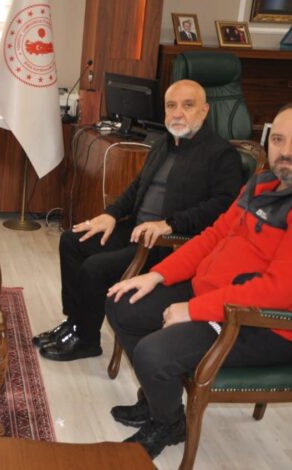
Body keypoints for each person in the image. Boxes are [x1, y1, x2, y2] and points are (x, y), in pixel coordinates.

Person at [104, 103, 292, 459]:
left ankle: (167, 423)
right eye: (279, 139)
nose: (286, 151)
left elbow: (278, 291)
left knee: (154, 354)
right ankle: (162, 406)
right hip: (215, 296)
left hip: (261, 323)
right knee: (123, 304)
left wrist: (193, 310)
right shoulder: (261, 184)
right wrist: (157, 275)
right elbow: (213, 236)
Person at [35, 79, 243, 361]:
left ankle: (86, 340)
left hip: (169, 244)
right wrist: (110, 214)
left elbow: (223, 207)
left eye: (188, 105)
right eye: (171, 106)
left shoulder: (221, 154)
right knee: (72, 241)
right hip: (135, 230)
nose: (178, 113)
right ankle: (74, 323)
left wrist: (170, 224)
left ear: (204, 110)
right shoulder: (162, 144)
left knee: (95, 267)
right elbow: (136, 188)